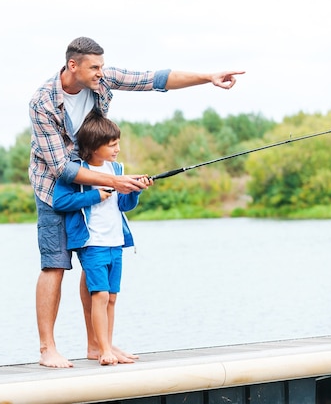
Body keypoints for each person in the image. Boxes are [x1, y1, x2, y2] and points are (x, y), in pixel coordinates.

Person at [29, 36, 244, 368]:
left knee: (94, 258)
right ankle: (48, 349)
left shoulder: (101, 79)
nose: (102, 72)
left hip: (99, 180)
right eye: (95, 67)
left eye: (102, 66)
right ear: (74, 66)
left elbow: (155, 79)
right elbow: (61, 168)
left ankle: (98, 345)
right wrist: (115, 180)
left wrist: (208, 77)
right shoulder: (43, 102)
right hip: (54, 189)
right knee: (55, 265)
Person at [53, 111, 145, 365]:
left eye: (118, 143)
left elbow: (123, 205)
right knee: (100, 295)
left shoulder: (117, 169)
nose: (118, 148)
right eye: (112, 144)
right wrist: (95, 195)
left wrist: (135, 191)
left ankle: (107, 346)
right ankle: (102, 349)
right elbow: (60, 201)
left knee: (112, 297)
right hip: (92, 243)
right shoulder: (77, 171)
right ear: (94, 147)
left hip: (116, 243)